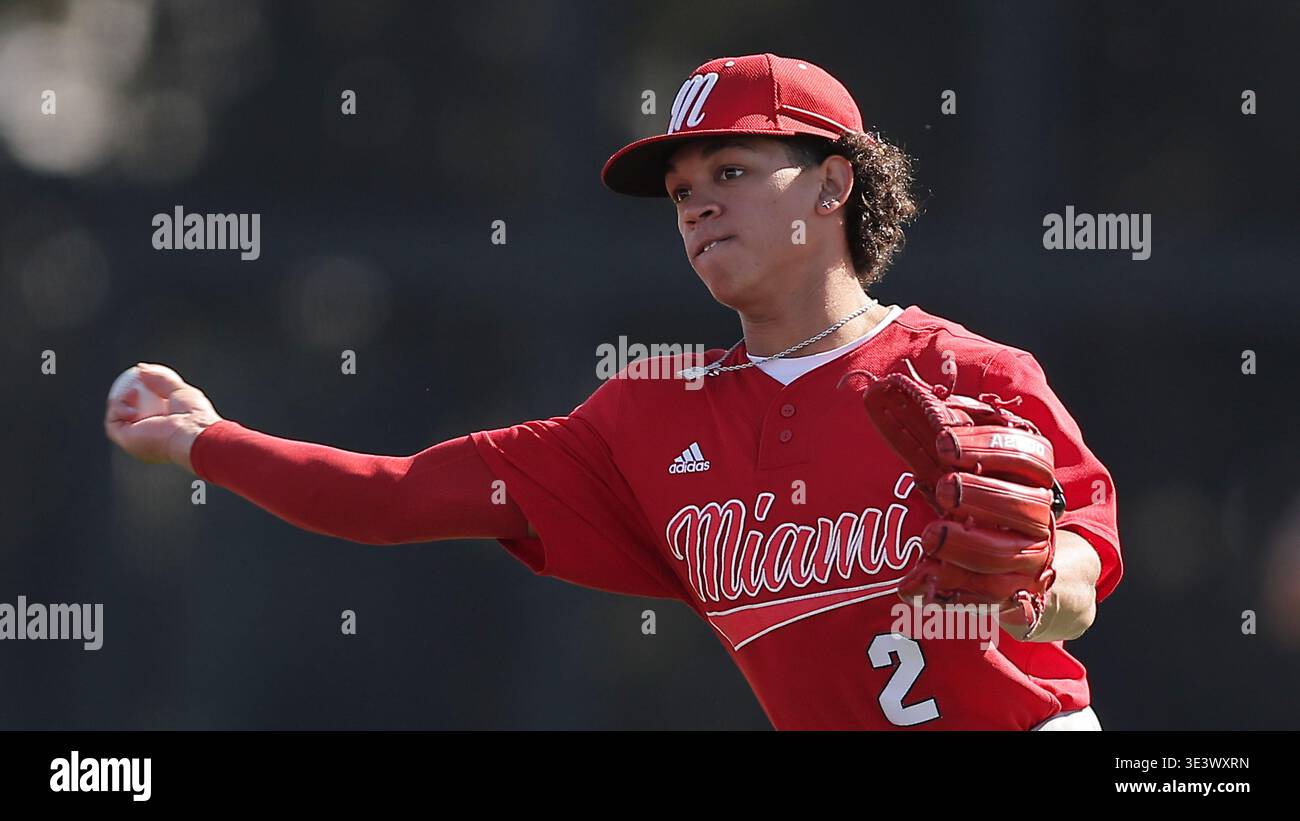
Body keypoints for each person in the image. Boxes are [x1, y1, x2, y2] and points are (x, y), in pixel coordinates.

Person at [105, 53, 1122, 730]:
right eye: (681, 192)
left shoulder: (970, 370)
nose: (697, 205)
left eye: (730, 168)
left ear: (831, 184)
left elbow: (1079, 566)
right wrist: (204, 439)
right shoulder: (646, 415)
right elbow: (396, 493)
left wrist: (1037, 589)